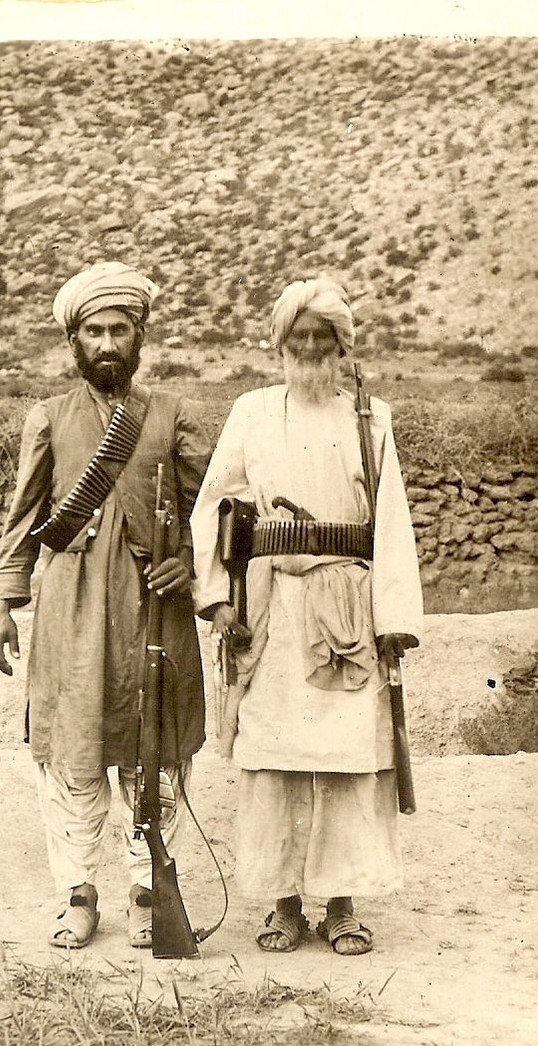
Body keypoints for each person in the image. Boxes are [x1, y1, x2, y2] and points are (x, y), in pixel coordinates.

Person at [190, 277, 423, 956]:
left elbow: (392, 523)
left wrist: (393, 620)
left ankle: (342, 903)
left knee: (349, 759)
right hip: (271, 612)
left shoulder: (370, 418)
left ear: (342, 347)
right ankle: (284, 905)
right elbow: (216, 506)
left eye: (324, 337)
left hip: (347, 607)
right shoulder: (252, 412)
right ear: (282, 345)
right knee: (273, 761)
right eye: (300, 338)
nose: (312, 348)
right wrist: (220, 600)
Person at [0, 262, 211, 949]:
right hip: (74, 609)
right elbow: (23, 519)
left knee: (158, 760)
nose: (107, 342)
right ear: (75, 341)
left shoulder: (172, 415)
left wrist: (191, 564)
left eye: (120, 329)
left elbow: (220, 507)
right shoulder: (48, 418)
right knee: (75, 757)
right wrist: (2, 602)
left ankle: (150, 895)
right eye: (94, 331)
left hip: (154, 609)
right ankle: (78, 895)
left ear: (140, 336)